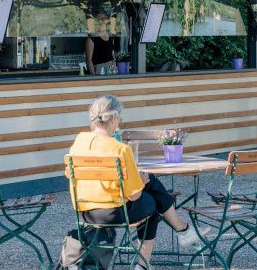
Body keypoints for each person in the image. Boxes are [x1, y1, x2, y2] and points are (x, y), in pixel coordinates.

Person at [67, 95, 210, 269]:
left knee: (150, 183)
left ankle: (183, 231)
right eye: (119, 118)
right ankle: (146, 262)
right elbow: (134, 195)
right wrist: (140, 183)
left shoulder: (79, 142)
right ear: (112, 119)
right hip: (115, 212)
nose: (119, 122)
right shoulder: (120, 149)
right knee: (153, 202)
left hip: (84, 212)